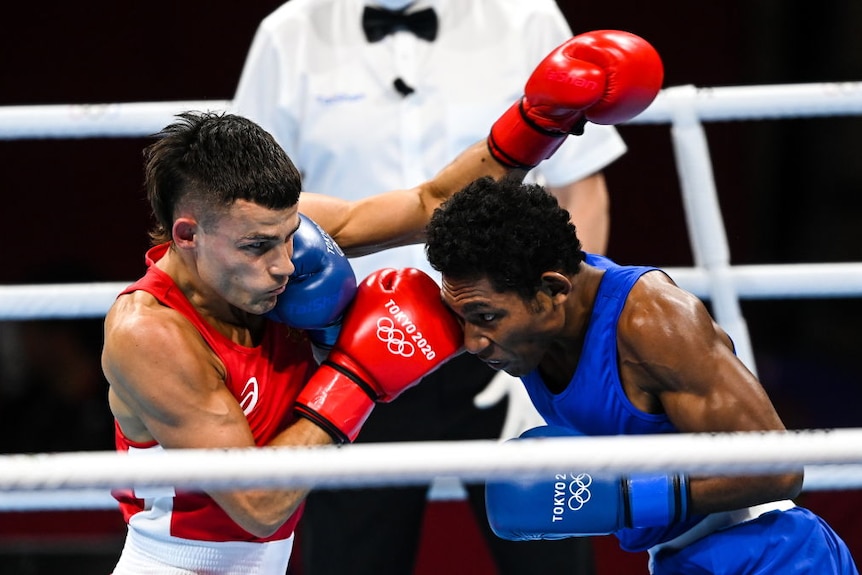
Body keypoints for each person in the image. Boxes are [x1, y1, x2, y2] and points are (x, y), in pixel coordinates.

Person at [102, 30, 664, 574]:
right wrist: (357, 375)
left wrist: (535, 124)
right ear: (186, 236)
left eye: (288, 234)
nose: (284, 264)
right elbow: (258, 504)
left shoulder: (272, 247)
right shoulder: (151, 333)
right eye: (257, 246)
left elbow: (433, 201)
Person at [231, 1, 629, 572]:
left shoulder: (527, 18)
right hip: (351, 345)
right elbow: (254, 208)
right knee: (351, 558)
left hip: (510, 343)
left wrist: (555, 341)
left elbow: (581, 190)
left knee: (552, 555)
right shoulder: (288, 34)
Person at [423, 178, 860, 575]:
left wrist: (624, 499)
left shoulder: (654, 322)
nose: (474, 341)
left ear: (553, 291)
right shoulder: (530, 331)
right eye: (462, 318)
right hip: (682, 559)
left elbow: (778, 469)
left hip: (770, 554)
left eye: (485, 317)